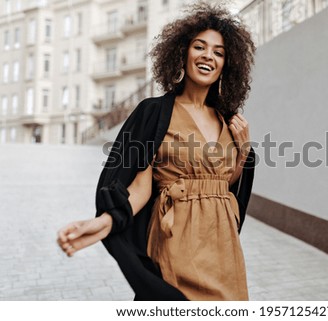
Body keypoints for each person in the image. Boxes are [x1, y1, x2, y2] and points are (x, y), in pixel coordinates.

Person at [57, 2, 256, 301]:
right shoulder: (155, 112)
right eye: (199, 47)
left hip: (224, 248)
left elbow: (224, 185)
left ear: (228, 64)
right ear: (182, 52)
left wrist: (243, 151)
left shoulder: (229, 121)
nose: (208, 57)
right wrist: (104, 222)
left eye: (218, 52)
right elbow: (140, 186)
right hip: (176, 241)